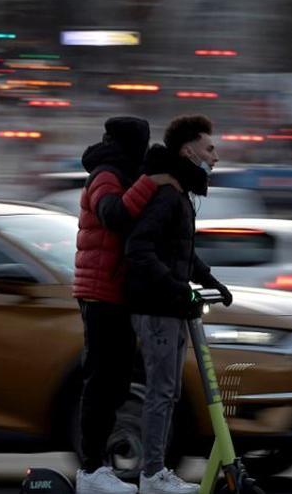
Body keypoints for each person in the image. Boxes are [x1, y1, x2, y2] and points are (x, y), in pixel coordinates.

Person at [124, 115, 233, 494]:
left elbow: (180, 253)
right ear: (189, 150)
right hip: (156, 308)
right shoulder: (168, 194)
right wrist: (178, 289)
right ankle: (152, 474)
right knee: (160, 389)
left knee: (168, 391)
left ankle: (157, 471)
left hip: (170, 305)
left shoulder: (181, 193)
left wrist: (209, 281)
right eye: (210, 148)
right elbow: (139, 249)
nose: (215, 157)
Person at [74, 116, 175, 494]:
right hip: (100, 291)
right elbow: (113, 215)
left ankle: (98, 467)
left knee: (116, 383)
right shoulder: (105, 173)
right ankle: (90, 471)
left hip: (117, 293)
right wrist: (150, 182)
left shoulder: (128, 171)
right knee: (102, 382)